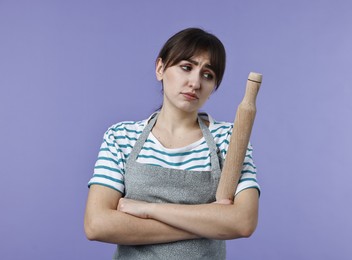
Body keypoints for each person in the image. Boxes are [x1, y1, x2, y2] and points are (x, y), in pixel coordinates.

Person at [84, 27, 260, 260]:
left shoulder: (230, 139)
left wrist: (148, 209)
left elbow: (243, 222)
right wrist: (208, 222)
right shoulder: (121, 136)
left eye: (208, 75)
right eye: (186, 67)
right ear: (160, 68)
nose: (195, 83)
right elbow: (97, 225)